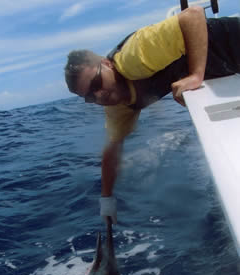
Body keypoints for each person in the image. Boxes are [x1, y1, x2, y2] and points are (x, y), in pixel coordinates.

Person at [64, 7, 240, 224]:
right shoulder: (118, 106)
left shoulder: (133, 58)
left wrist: (195, 75)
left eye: (96, 83)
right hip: (226, 68)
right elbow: (112, 150)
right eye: (90, 96)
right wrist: (107, 201)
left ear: (107, 64)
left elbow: (192, 15)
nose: (99, 95)